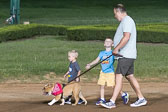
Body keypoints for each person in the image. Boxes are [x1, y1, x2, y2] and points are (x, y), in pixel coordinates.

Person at [101, 4, 147, 109]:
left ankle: (112, 101)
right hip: (127, 55)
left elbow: (126, 37)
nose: (114, 16)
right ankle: (141, 98)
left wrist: (116, 49)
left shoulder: (127, 20)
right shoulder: (126, 21)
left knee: (118, 76)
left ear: (118, 12)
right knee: (129, 76)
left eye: (115, 14)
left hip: (125, 55)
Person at [85, 38, 129, 105]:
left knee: (112, 86)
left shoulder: (113, 53)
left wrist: (118, 53)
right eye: (106, 41)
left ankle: (123, 94)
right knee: (102, 85)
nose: (108, 42)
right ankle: (102, 99)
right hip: (103, 72)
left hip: (110, 72)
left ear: (112, 44)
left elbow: (119, 57)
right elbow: (96, 60)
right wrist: (89, 64)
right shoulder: (101, 53)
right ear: (104, 44)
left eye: (109, 41)